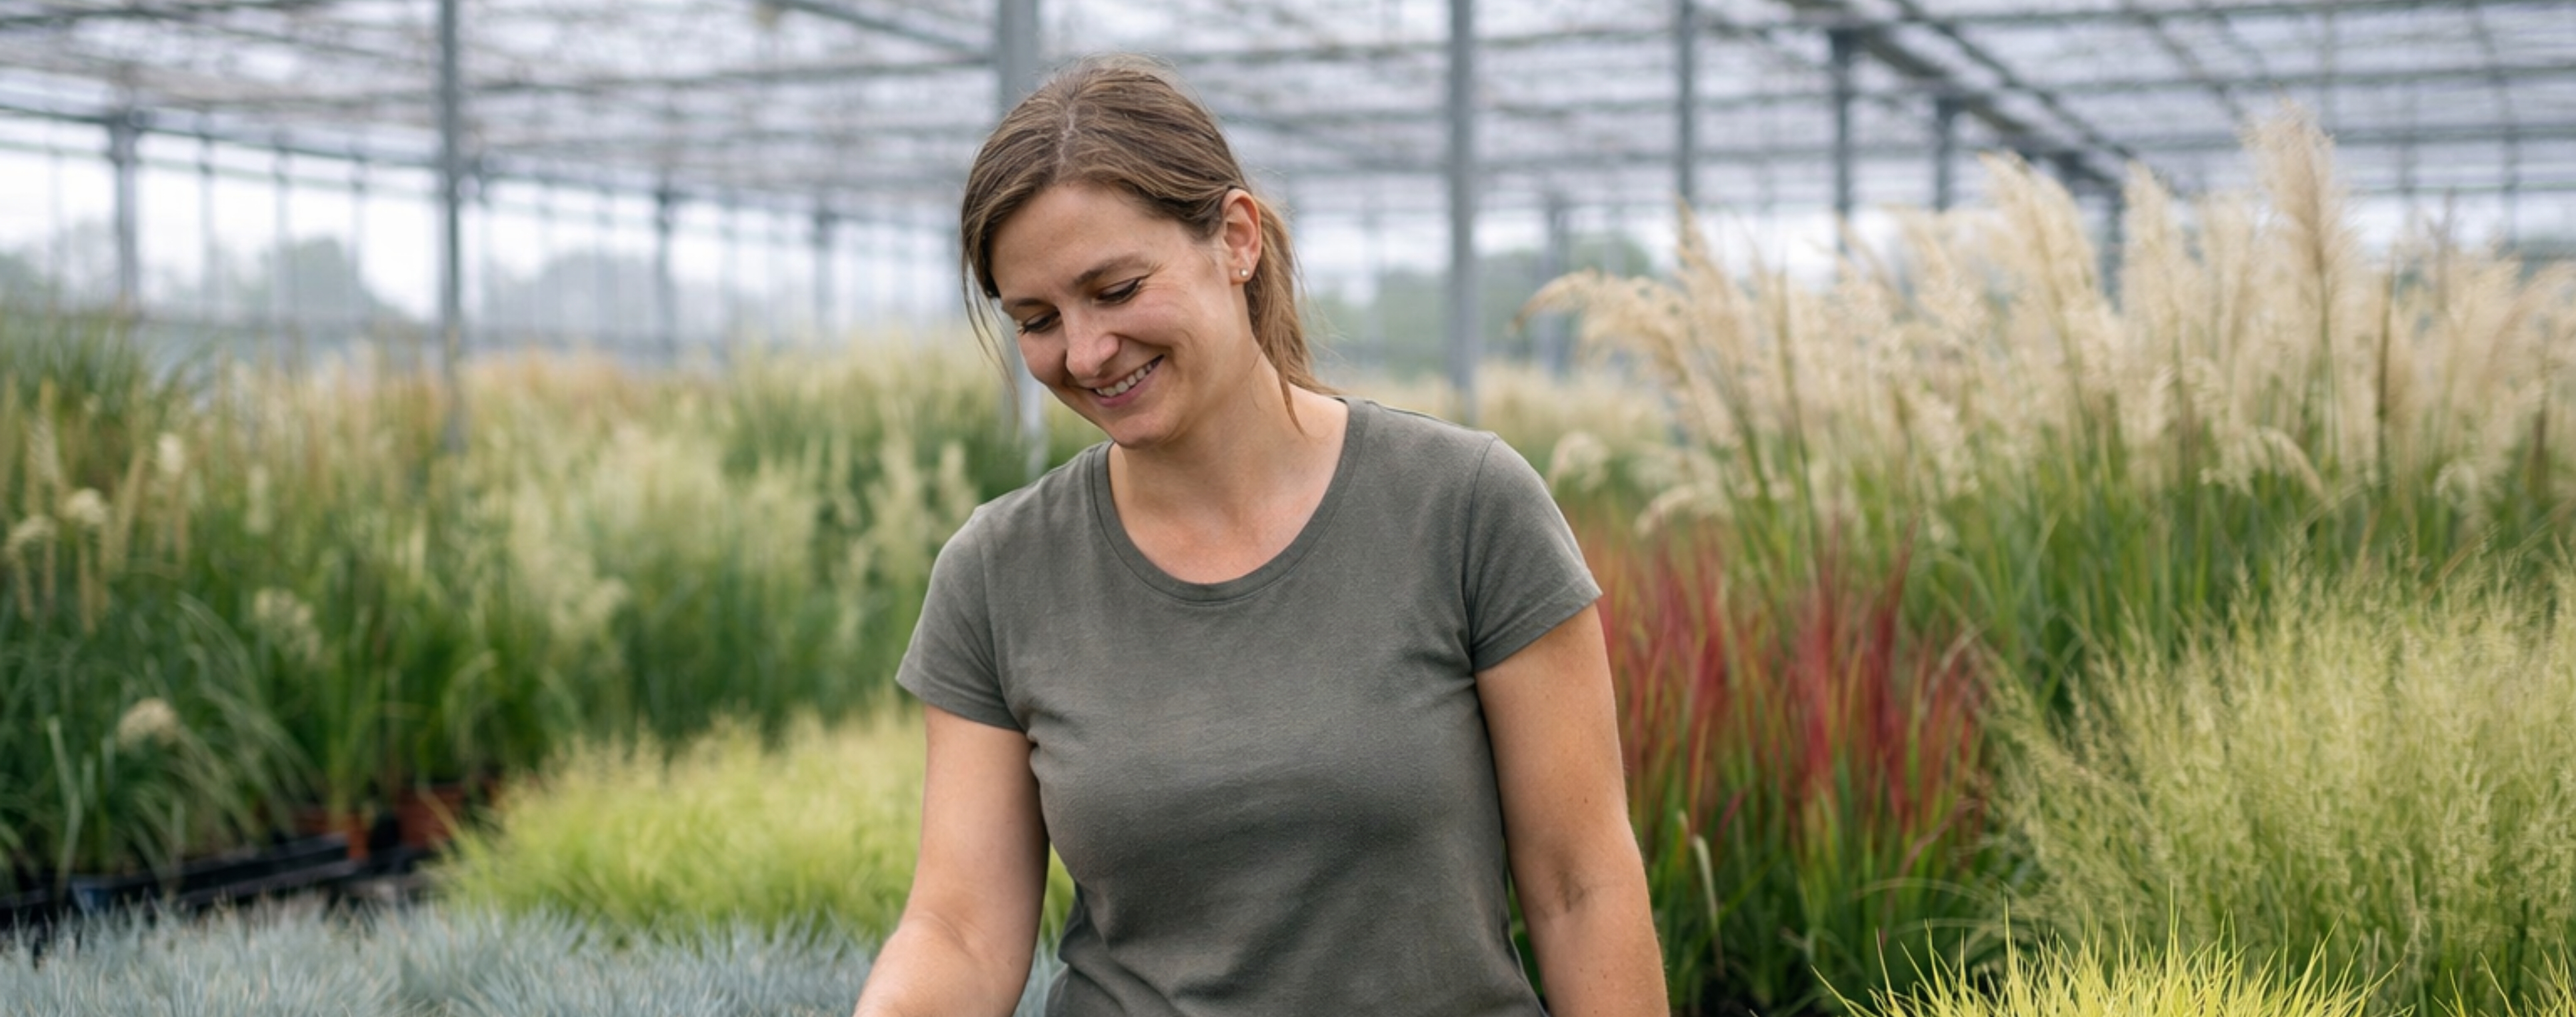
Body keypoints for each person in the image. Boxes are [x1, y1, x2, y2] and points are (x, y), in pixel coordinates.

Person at [851, 54, 1663, 1017]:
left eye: (1116, 289)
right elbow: (961, 930)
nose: (1085, 352)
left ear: (1236, 239)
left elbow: (1581, 885)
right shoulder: (999, 572)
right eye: (1037, 320)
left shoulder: (1466, 508)